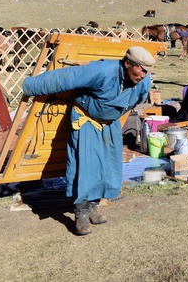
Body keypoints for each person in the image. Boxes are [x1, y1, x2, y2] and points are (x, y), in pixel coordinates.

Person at [21, 45, 156, 236]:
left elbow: (137, 100)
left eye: (146, 70)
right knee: (86, 168)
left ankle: (93, 207)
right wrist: (29, 86)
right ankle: (80, 215)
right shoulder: (101, 71)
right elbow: (65, 78)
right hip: (87, 122)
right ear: (127, 64)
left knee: (108, 168)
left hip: (109, 124)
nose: (143, 75)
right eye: (140, 69)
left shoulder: (144, 81)